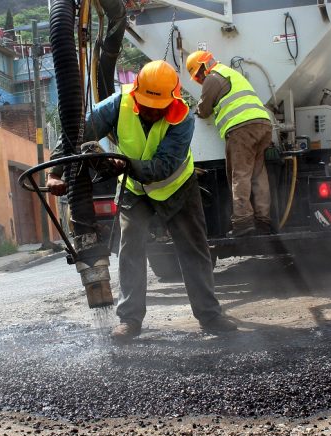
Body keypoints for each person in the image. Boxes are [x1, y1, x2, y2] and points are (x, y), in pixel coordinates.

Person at [46, 60, 237, 340]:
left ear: (172, 100)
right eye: (145, 103)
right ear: (136, 92)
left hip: (177, 188)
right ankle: (130, 321)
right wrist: (54, 172)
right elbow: (77, 134)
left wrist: (123, 165)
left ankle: (210, 316)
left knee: (194, 251)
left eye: (156, 106)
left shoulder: (183, 119)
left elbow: (163, 167)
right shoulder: (118, 103)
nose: (149, 110)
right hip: (135, 190)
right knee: (130, 250)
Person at [186, 50, 274, 237]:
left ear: (202, 68)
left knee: (239, 174)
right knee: (258, 174)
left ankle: (242, 222)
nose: (200, 80)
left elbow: (204, 109)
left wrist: (196, 110)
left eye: (198, 76)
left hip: (242, 128)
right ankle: (263, 221)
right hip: (263, 124)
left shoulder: (213, 78)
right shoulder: (230, 73)